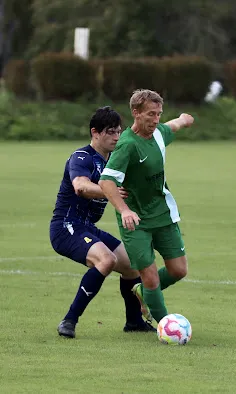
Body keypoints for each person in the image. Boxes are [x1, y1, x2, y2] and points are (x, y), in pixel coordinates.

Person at [50, 106, 155, 338]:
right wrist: (109, 191)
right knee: (107, 260)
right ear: (95, 132)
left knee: (131, 265)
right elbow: (81, 186)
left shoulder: (113, 162)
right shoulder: (82, 157)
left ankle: (134, 322)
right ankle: (69, 321)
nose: (116, 137)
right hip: (67, 226)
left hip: (87, 227)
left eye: (119, 132)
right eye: (110, 132)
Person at [99, 89, 194, 325]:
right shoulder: (127, 145)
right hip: (136, 221)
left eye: (159, 114)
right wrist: (124, 210)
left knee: (178, 270)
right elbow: (106, 181)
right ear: (136, 113)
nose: (155, 119)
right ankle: (166, 326)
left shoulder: (159, 133)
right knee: (151, 277)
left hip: (163, 213)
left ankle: (144, 292)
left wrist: (183, 119)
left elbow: (172, 126)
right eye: (150, 114)